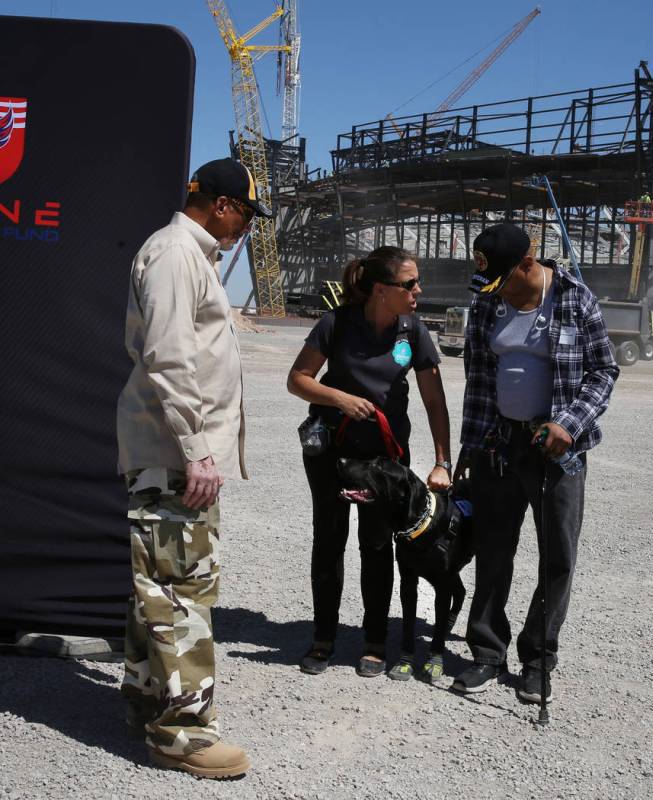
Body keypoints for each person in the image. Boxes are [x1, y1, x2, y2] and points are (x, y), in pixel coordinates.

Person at [116, 158, 271, 778]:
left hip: (172, 451)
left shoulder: (186, 254)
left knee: (159, 579)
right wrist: (197, 447)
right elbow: (169, 356)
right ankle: (182, 733)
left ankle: (146, 699)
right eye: (245, 216)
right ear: (225, 205)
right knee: (183, 590)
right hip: (173, 453)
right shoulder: (179, 253)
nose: (243, 230)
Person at [452, 223, 618, 704]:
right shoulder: (488, 300)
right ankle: (487, 651)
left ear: (528, 262)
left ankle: (538, 659)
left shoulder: (573, 297)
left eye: (503, 279)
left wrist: (568, 423)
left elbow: (604, 370)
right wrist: (471, 445)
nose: (495, 291)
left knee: (557, 556)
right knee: (492, 549)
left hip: (556, 450)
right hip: (498, 443)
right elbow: (478, 377)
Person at [287, 246, 451, 678]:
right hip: (331, 453)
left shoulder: (413, 331)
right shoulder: (336, 323)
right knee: (329, 539)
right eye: (410, 283)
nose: (418, 290)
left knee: (377, 545)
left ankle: (375, 641)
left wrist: (441, 462)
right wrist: (339, 397)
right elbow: (297, 380)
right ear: (381, 290)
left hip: (385, 457)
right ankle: (323, 638)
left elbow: (434, 400)